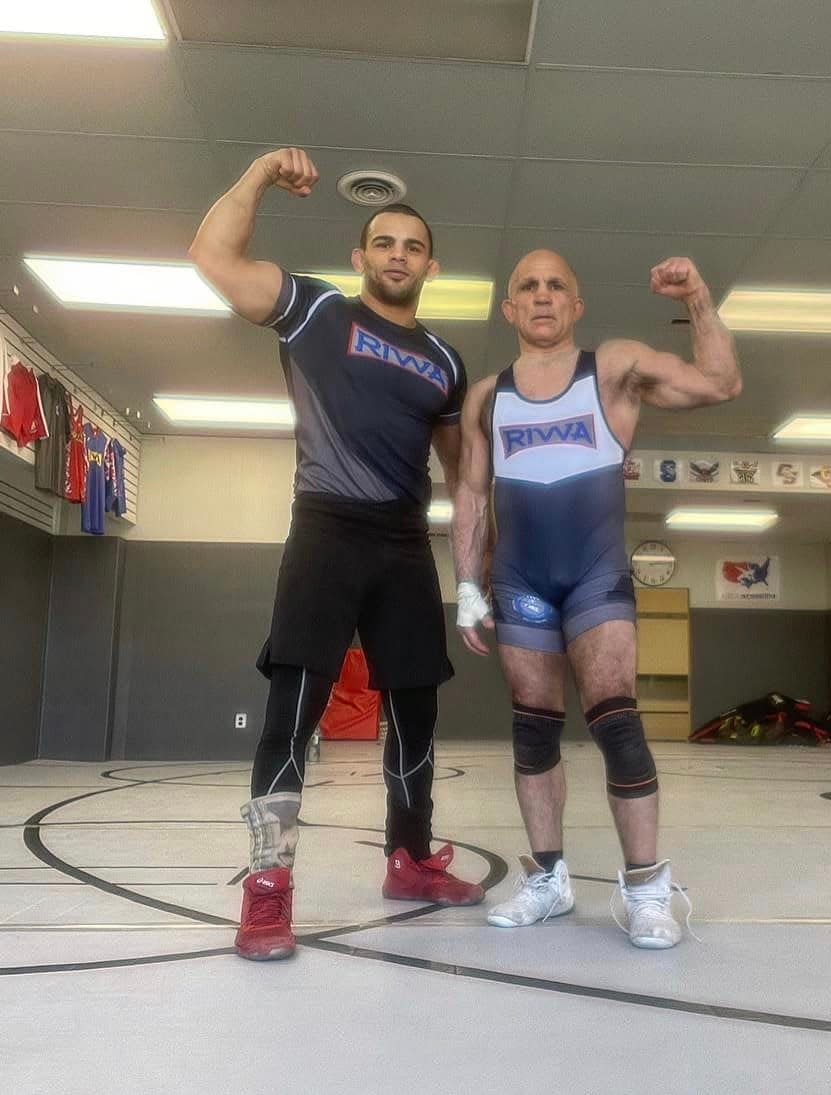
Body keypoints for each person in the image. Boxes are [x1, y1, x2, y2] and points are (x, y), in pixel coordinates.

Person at [189, 147, 483, 962]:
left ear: (430, 264)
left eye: (413, 245)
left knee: (416, 706)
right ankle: (268, 888)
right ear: (362, 258)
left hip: (403, 543)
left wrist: (475, 579)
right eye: (384, 242)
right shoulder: (316, 310)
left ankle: (411, 856)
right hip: (325, 528)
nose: (398, 255)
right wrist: (252, 175)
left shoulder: (446, 361)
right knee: (295, 708)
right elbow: (212, 256)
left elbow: (463, 477)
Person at [452, 249, 740, 948]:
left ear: (576, 306)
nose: (543, 295)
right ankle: (548, 880)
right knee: (532, 725)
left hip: (595, 572)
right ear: (509, 308)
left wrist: (698, 295)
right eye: (528, 285)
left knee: (615, 718)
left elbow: (721, 382)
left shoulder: (610, 367)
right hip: (519, 578)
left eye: (557, 285)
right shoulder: (487, 396)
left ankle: (646, 887)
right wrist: (464, 583)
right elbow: (469, 488)